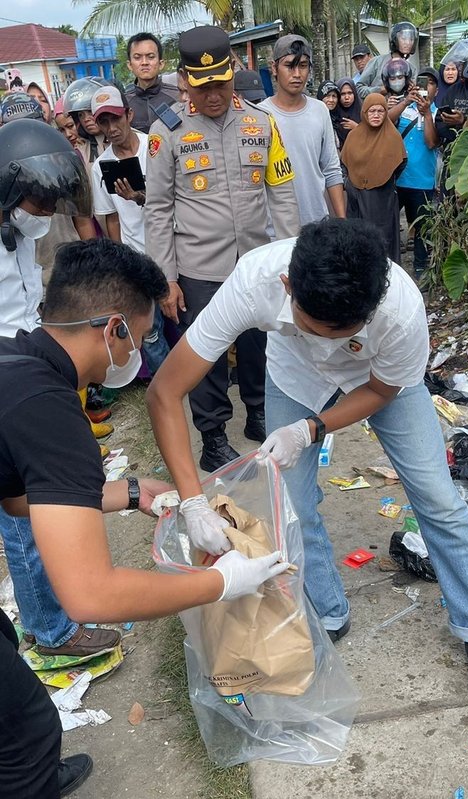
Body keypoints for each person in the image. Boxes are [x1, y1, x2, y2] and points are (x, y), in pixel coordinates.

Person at [0, 235, 286, 799]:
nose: (143, 350)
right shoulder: (49, 408)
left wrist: (130, 492)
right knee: (26, 729)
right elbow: (90, 594)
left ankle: (18, 789)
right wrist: (221, 582)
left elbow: (15, 493)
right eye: (144, 334)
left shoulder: (15, 363)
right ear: (112, 330)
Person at [146, 216, 468, 707]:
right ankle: (325, 614)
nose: (328, 342)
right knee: (293, 503)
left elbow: (384, 389)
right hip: (293, 376)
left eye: (343, 332)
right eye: (316, 328)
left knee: (437, 496)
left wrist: (311, 429)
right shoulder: (255, 281)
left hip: (378, 379)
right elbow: (165, 391)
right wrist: (193, 502)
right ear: (288, 288)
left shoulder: (401, 307)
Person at [144, 25, 299, 472]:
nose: (212, 94)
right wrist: (166, 279)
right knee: (205, 354)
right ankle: (212, 436)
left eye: (221, 82)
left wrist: (290, 259)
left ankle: (258, 412)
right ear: (185, 80)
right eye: (201, 84)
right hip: (199, 267)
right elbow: (157, 209)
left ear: (235, 72)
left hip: (255, 261)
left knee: (258, 342)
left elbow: (282, 193)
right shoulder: (165, 132)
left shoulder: (260, 121)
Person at [0, 117, 118, 661]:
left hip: (28, 371)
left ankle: (58, 612)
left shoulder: (17, 235)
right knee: (23, 519)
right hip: (9, 389)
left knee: (42, 508)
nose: (44, 217)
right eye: (39, 205)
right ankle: (51, 633)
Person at [90, 84, 170, 374]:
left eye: (116, 118)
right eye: (104, 122)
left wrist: (139, 196)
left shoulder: (156, 146)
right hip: (137, 258)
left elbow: (176, 200)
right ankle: (168, 383)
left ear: (129, 114)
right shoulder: (101, 166)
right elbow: (110, 218)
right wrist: (121, 263)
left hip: (173, 248)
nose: (111, 128)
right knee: (150, 330)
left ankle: (198, 381)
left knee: (187, 319)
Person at [262, 33, 345, 224]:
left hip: (317, 223)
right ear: (274, 68)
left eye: (303, 66)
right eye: (289, 66)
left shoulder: (320, 110)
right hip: (275, 229)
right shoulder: (261, 115)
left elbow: (331, 169)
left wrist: (341, 221)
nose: (297, 74)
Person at [341, 93, 406, 263]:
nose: (376, 115)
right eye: (371, 111)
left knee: (382, 240)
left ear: (386, 113)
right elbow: (345, 161)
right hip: (355, 196)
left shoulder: (392, 137)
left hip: (381, 198)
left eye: (380, 111)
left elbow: (400, 163)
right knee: (356, 239)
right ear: (364, 113)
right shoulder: (354, 135)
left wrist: (381, 177)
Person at [388, 67, 439, 281]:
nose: (426, 86)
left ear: (436, 89)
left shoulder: (438, 113)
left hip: (423, 182)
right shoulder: (405, 107)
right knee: (389, 224)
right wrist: (406, 101)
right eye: (422, 82)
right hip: (397, 178)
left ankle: (419, 269)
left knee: (422, 228)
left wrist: (426, 113)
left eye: (430, 83)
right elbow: (387, 121)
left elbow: (431, 142)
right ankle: (390, 267)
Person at [125, 31, 176, 133]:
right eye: (137, 57)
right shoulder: (124, 103)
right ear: (130, 65)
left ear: (161, 63)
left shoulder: (177, 97)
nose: (144, 62)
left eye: (151, 57)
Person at [356, 21, 418, 100]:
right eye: (403, 39)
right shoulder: (377, 62)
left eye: (411, 39)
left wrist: (411, 90)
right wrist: (379, 90)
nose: (408, 43)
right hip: (377, 110)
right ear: (394, 39)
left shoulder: (412, 69)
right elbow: (359, 89)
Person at [435, 49, 468, 147]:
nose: (460, 68)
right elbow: (439, 119)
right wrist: (452, 128)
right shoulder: (455, 89)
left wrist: (462, 122)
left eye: (462, 64)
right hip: (454, 153)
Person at [62, 76, 108, 164]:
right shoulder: (81, 151)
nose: (86, 119)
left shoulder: (124, 139)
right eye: (80, 115)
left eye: (90, 111)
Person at [330, 77, 362, 148]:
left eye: (350, 93)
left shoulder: (363, 112)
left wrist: (357, 128)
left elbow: (372, 137)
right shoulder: (332, 115)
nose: (347, 97)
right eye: (343, 94)